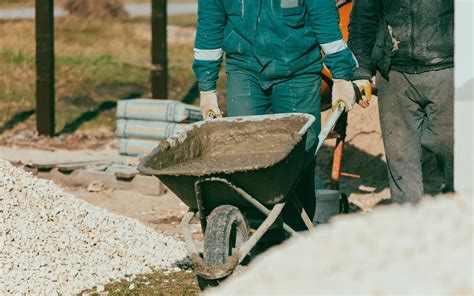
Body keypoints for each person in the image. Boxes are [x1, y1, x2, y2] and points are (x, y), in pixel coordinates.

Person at [192, 0, 358, 231]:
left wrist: (341, 76)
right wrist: (206, 89)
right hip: (245, 70)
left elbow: (324, 17)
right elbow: (210, 27)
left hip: (298, 71)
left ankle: (296, 230)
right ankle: (260, 234)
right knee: (247, 155)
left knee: (299, 155)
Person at [348, 0, 454, 203]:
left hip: (446, 67)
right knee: (401, 158)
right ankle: (408, 223)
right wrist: (361, 69)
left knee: (450, 147)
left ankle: (459, 209)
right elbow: (363, 17)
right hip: (393, 73)